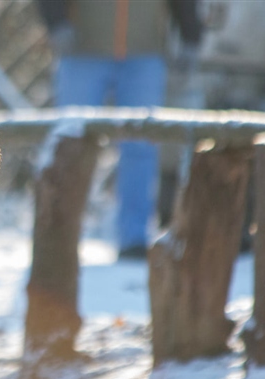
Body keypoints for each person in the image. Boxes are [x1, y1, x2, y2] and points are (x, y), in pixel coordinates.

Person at [37, 0, 202, 258]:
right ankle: (58, 237)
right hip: (81, 50)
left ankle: (133, 238)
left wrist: (191, 35)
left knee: (141, 146)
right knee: (69, 143)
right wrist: (56, 23)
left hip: (145, 53)